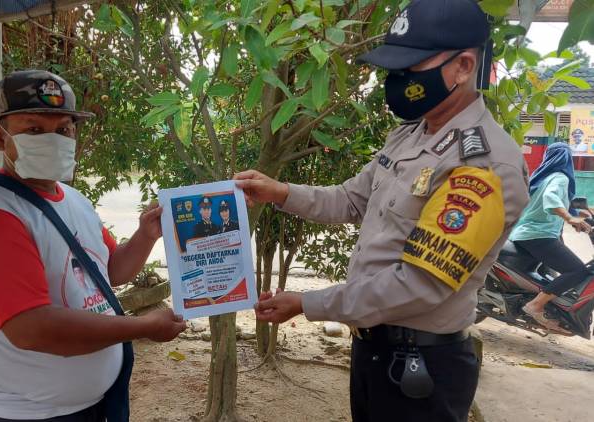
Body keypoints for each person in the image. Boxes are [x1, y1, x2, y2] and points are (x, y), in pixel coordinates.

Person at [235, 1, 529, 421]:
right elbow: (352, 199)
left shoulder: (483, 165)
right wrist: (279, 192)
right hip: (374, 352)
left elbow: (418, 285)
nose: (398, 80)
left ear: (463, 66)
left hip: (423, 369)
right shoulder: (411, 135)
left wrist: (307, 303)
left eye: (410, 67)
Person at [0, 70, 186, 421]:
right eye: (34, 130)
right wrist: (143, 326)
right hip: (13, 413)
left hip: (86, 406)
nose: (53, 140)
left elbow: (111, 271)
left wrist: (146, 235)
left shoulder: (73, 200)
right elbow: (34, 328)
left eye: (63, 130)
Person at [509, 142, 591, 334]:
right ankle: (535, 305)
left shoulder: (542, 176)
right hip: (539, 235)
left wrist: (577, 214)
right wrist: (569, 218)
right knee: (577, 270)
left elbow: (556, 200)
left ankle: (551, 308)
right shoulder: (560, 178)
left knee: (551, 274)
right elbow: (551, 198)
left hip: (524, 233)